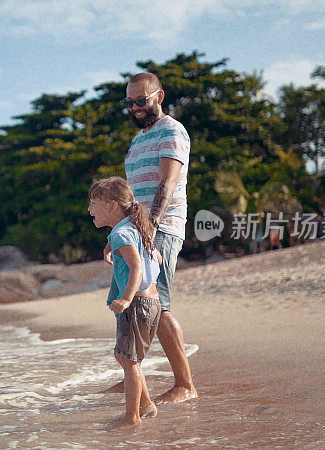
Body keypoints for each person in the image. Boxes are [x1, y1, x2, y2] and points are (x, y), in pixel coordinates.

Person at [102, 72, 198, 404]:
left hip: (163, 226)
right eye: (129, 102)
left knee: (159, 304)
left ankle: (185, 385)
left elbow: (167, 184)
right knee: (133, 302)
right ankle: (133, 373)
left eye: (141, 100)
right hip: (136, 229)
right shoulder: (138, 140)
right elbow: (132, 197)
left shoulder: (172, 130)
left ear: (159, 96)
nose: (135, 107)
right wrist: (119, 233)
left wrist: (151, 225)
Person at [89, 177, 163, 429]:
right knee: (128, 358)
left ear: (111, 206)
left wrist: (126, 298)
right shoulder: (134, 227)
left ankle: (132, 417)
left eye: (93, 203)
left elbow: (137, 267)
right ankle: (147, 405)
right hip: (152, 301)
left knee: (128, 360)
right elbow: (158, 259)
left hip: (137, 303)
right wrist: (111, 244)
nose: (89, 209)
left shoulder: (122, 233)